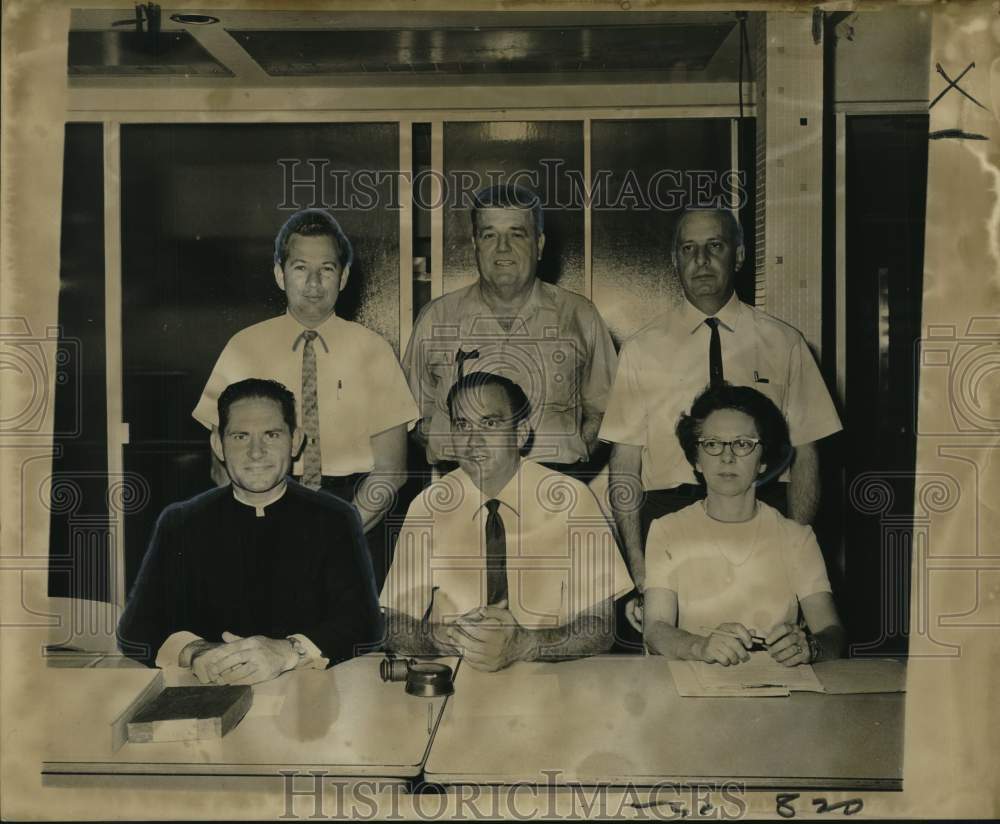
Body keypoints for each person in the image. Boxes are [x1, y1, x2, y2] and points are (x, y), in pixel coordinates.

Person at [601, 207, 842, 591]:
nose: (701, 261)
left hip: (762, 512)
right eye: (688, 249)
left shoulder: (785, 343)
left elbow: (807, 452)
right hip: (671, 519)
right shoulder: (640, 350)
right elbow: (625, 462)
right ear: (674, 259)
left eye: (715, 246)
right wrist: (638, 566)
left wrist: (797, 550)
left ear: (740, 255)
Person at [192, 209, 418, 586]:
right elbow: (221, 463)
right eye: (300, 268)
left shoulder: (374, 351)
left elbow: (391, 472)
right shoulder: (243, 348)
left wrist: (336, 534)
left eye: (327, 269)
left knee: (352, 641)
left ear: (343, 277)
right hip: (264, 516)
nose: (313, 282)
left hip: (355, 517)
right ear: (280, 274)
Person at [119, 379, 383, 684]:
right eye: (240, 436)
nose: (256, 452)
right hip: (208, 689)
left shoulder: (335, 518)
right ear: (218, 444)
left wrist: (287, 652)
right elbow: (135, 629)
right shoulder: (181, 521)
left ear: (295, 440)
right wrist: (197, 651)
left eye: (271, 435)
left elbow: (363, 623)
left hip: (306, 697)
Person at [380, 372, 633, 672]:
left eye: (490, 423)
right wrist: (446, 638)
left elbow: (599, 629)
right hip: (458, 674)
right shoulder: (428, 506)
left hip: (551, 673)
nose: (473, 441)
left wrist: (524, 644)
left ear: (521, 433)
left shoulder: (572, 500)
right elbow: (394, 625)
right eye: (462, 425)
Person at [402, 183, 618, 479]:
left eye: (517, 234)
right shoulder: (436, 317)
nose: (502, 248)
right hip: (462, 487)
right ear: (476, 243)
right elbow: (409, 416)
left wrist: (576, 452)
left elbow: (608, 411)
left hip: (553, 490)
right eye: (489, 235)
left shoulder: (580, 316)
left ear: (539, 245)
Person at [643, 384, 845, 666]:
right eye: (712, 444)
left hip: (781, 692)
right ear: (696, 460)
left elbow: (833, 634)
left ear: (762, 460)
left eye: (743, 444)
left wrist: (810, 646)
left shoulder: (796, 537)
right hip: (695, 690)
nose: (727, 457)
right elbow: (655, 629)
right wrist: (700, 647)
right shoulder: (668, 530)